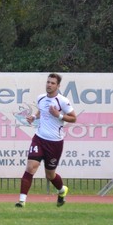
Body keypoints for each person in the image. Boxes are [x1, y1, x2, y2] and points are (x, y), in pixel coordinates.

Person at [16, 72, 77, 208]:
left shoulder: (62, 101)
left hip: (55, 143)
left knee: (50, 175)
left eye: (52, 83)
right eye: (48, 82)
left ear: (58, 86)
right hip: (39, 138)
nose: (49, 85)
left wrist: (58, 115)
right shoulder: (41, 98)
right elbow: (41, 111)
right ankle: (21, 201)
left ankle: (62, 190)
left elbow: (74, 118)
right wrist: (33, 117)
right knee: (30, 167)